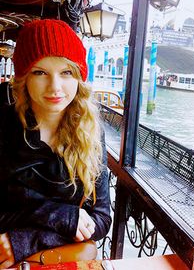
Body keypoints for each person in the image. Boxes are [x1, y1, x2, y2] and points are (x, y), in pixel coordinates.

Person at [0, 19, 112, 268]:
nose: (55, 87)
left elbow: (102, 218)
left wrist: (28, 239)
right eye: (40, 72)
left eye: (66, 72)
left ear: (79, 78)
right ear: (24, 78)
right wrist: (58, 214)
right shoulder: (4, 126)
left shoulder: (92, 133)